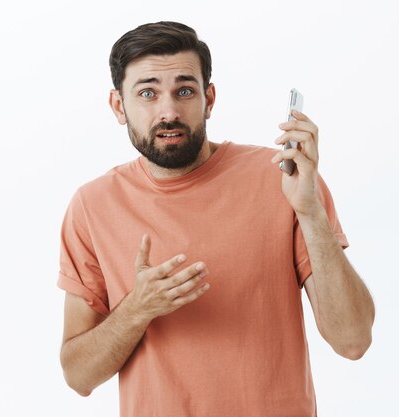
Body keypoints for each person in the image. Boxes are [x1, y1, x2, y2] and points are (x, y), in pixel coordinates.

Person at [57, 21, 375, 417]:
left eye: (184, 90)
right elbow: (78, 376)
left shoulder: (285, 177)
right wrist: (137, 308)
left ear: (209, 98)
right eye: (147, 93)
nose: (168, 111)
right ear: (119, 106)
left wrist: (310, 213)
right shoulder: (92, 205)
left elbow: (353, 340)